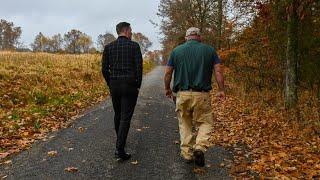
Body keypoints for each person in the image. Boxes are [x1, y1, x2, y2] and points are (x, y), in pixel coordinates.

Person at [164, 27, 225, 167]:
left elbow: (168, 73)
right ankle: (200, 147)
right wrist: (221, 90)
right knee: (206, 122)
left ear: (186, 37)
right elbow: (218, 71)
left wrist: (167, 89)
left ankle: (187, 154)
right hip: (202, 95)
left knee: (185, 123)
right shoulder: (210, 50)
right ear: (199, 37)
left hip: (182, 94)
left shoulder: (176, 51)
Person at [102, 22, 143, 161]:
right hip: (130, 86)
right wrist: (138, 84)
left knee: (118, 114)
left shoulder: (108, 47)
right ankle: (120, 148)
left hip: (115, 85)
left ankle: (120, 141)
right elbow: (139, 68)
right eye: (131, 30)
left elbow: (104, 69)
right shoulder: (134, 46)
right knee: (125, 117)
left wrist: (110, 83)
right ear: (125, 30)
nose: (132, 33)